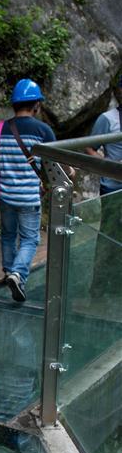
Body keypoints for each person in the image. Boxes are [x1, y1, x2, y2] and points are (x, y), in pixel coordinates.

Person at [0, 79, 56, 303]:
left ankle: (8, 272)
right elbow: (57, 162)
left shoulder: (1, 128)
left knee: (8, 234)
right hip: (28, 197)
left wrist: (4, 156)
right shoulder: (43, 130)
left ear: (14, 105)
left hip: (6, 195)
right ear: (36, 105)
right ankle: (18, 273)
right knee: (30, 240)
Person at [85, 75, 122, 298]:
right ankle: (99, 287)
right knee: (108, 234)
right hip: (112, 187)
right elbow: (89, 147)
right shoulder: (107, 119)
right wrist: (108, 164)